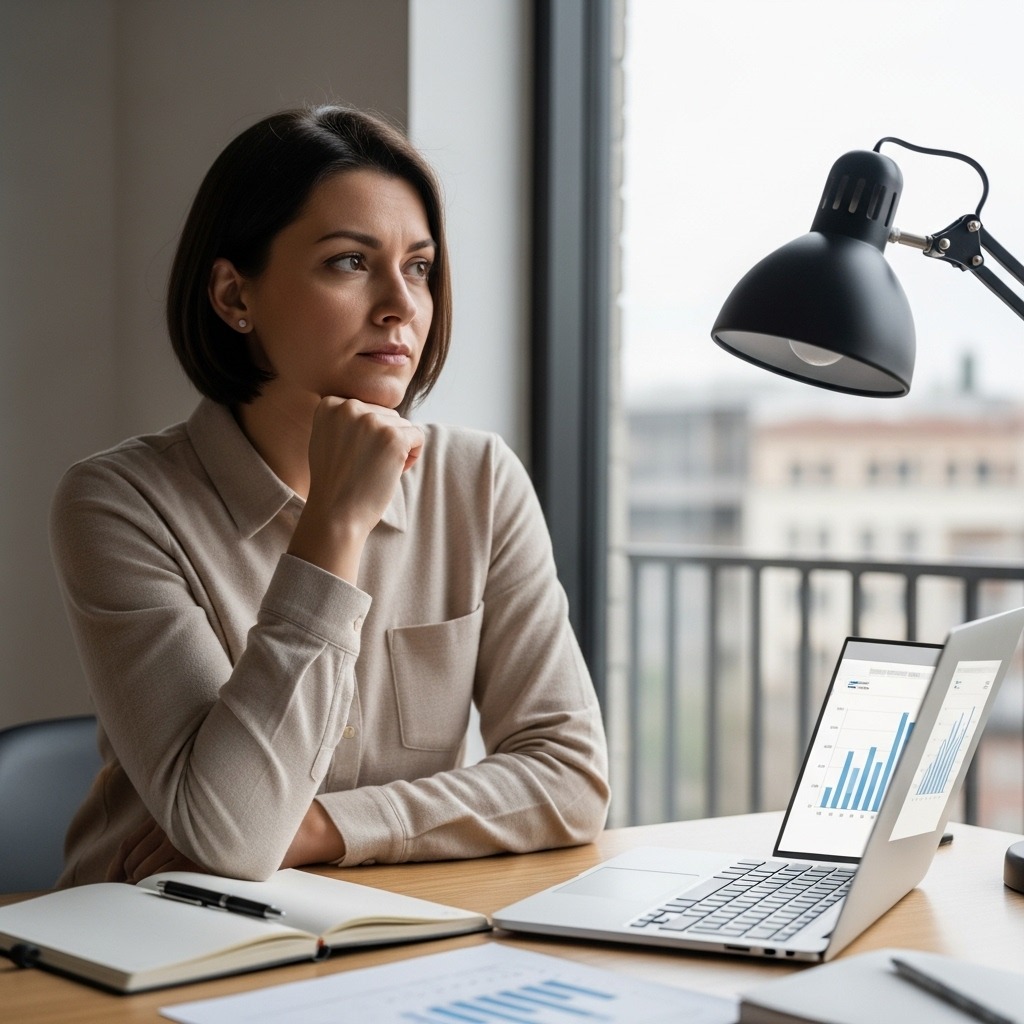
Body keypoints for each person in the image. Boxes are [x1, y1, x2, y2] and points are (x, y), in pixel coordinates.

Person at [50, 105, 609, 887]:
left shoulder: (478, 481)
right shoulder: (119, 503)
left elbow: (571, 780)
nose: (402, 305)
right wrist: (336, 524)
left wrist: (321, 828)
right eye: (351, 262)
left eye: (418, 266)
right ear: (233, 295)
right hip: (154, 943)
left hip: (388, 927)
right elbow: (234, 835)